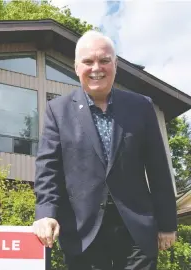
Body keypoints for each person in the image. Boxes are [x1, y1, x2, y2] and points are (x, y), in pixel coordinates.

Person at [33, 30, 177, 270]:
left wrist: (167, 223)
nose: (96, 67)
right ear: (77, 67)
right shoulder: (57, 111)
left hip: (136, 231)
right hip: (82, 231)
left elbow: (158, 168)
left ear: (115, 64)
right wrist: (46, 213)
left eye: (104, 60)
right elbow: (48, 170)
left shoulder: (141, 107)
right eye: (88, 61)